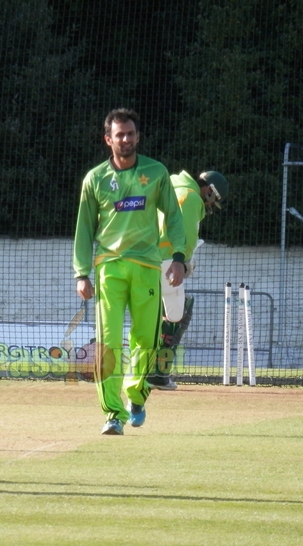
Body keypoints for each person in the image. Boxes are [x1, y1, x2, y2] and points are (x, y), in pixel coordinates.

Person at [73, 108, 186, 435]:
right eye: (119, 135)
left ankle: (136, 394)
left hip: (148, 268)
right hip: (109, 269)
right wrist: (81, 273)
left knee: (145, 340)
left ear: (138, 136)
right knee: (108, 344)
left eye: (131, 134)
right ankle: (113, 414)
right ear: (108, 140)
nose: (126, 139)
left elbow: (175, 218)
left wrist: (177, 257)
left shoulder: (157, 172)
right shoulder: (95, 179)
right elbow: (84, 230)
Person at [147, 170, 229, 391]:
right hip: (167, 260)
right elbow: (186, 235)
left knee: (152, 316)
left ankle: (145, 369)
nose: (210, 204)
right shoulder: (191, 197)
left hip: (146, 258)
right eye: (213, 198)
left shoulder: (169, 186)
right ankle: (158, 373)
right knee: (179, 315)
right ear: (209, 190)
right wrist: (183, 263)